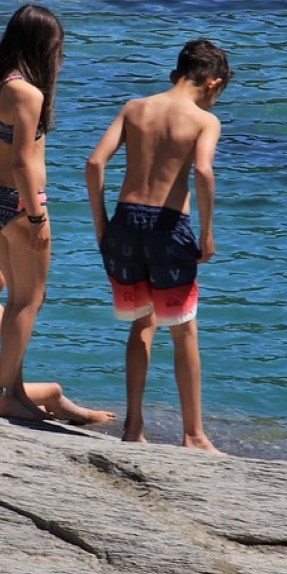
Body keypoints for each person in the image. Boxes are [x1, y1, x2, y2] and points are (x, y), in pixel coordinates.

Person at [84, 39, 232, 453]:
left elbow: (95, 163)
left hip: (125, 222)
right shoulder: (204, 122)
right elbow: (203, 171)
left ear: (175, 74)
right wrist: (205, 234)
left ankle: (133, 427)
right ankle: (193, 434)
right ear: (214, 82)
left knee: (141, 323)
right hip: (169, 225)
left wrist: (101, 224)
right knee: (184, 331)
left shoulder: (135, 108)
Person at [0, 3, 63, 421]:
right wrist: (36, 217)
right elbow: (22, 162)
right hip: (19, 202)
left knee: (14, 301)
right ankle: (4, 395)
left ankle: (16, 391)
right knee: (31, 299)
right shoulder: (28, 92)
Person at [0, 236, 115, 425]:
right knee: (53, 391)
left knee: (37, 408)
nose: (8, 280)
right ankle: (83, 416)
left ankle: (52, 413)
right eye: (4, 271)